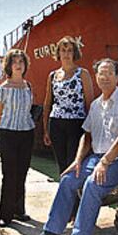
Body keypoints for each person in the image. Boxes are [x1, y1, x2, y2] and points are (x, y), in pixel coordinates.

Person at [25, 58, 118, 235]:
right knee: (67, 180)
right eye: (101, 73)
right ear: (96, 78)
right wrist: (77, 161)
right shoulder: (95, 105)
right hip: (95, 157)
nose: (105, 77)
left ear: (117, 76)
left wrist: (105, 162)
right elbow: (87, 135)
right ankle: (52, 232)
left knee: (92, 185)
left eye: (110, 73)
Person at [0, 49, 35, 227]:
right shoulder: (3, 88)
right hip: (8, 134)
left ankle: (19, 210)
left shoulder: (28, 86)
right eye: (14, 62)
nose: (18, 65)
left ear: (25, 65)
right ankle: (5, 213)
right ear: (9, 66)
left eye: (21, 62)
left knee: (22, 173)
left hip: (27, 133)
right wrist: (8, 126)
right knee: (9, 174)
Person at [43, 36, 94, 174]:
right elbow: (48, 103)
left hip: (76, 124)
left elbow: (89, 103)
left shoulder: (82, 74)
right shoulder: (52, 76)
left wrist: (90, 131)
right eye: (63, 50)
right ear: (58, 53)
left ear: (74, 53)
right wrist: (46, 130)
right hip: (56, 124)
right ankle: (64, 194)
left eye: (69, 50)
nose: (66, 54)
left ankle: (73, 195)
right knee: (61, 165)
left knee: (73, 164)